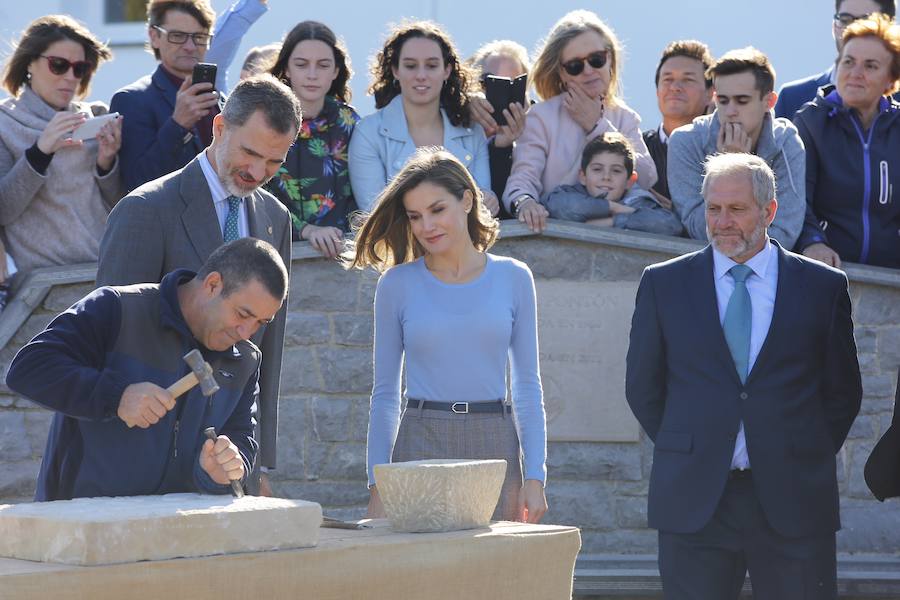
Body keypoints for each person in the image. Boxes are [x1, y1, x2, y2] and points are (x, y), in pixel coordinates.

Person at [626, 152, 862, 599]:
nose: (722, 221)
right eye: (714, 209)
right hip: (695, 502)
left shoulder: (821, 288)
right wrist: (697, 443)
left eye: (737, 209)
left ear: (769, 211)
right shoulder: (664, 284)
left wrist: (795, 450)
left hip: (793, 499)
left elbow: (842, 392)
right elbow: (644, 387)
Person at [96, 75, 300, 494]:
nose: (259, 172)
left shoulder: (276, 219)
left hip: (229, 458)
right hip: (146, 452)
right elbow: (109, 339)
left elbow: (267, 348)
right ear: (219, 127)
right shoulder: (146, 209)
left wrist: (259, 459)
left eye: (275, 163)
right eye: (250, 153)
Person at [345, 147, 548, 523]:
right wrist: (376, 482)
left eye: (437, 210)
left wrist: (535, 475)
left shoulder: (515, 277)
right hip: (420, 440)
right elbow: (386, 393)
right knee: (420, 577)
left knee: (492, 575)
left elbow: (527, 388)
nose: (426, 226)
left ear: (467, 201)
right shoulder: (396, 284)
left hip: (496, 444)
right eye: (415, 216)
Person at [6, 238, 288, 502]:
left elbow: (242, 438)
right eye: (243, 314)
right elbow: (29, 367)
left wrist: (224, 468)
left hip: (177, 532)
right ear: (213, 284)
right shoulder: (116, 308)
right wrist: (116, 397)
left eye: (261, 323)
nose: (246, 332)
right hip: (83, 523)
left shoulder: (246, 360)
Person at [502, 10, 657, 233]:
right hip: (557, 235)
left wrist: (598, 126)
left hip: (616, 241)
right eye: (575, 66)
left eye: (596, 60)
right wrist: (525, 203)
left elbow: (646, 178)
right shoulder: (541, 117)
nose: (589, 71)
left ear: (610, 59)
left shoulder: (625, 117)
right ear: (561, 74)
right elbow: (522, 181)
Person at [0, 15, 123, 275]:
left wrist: (106, 164)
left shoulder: (96, 115)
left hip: (103, 272)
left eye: (79, 68)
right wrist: (39, 153)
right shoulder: (5, 123)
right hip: (43, 286)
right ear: (30, 63)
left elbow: (120, 207)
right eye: (58, 65)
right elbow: (3, 211)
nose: (70, 76)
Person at [110, 0, 266, 193]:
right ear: (154, 36)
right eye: (178, 36)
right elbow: (136, 185)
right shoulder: (132, 100)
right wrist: (178, 124)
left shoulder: (220, 99)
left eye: (199, 37)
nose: (190, 46)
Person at [348, 21, 498, 215]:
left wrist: (488, 200)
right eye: (410, 66)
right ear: (395, 70)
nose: (421, 75)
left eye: (431, 65)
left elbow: (483, 209)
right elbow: (375, 216)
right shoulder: (368, 133)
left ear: (447, 70)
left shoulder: (472, 131)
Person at [668, 47, 806, 250]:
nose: (730, 111)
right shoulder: (685, 141)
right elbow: (697, 228)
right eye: (723, 101)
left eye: (742, 101)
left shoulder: (787, 143)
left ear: (769, 101)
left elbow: (785, 234)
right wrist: (728, 169)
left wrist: (741, 169)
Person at [794, 14, 900, 269]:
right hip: (825, 274)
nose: (855, 73)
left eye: (870, 66)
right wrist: (813, 241)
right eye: (848, 62)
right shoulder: (810, 122)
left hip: (890, 284)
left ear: (890, 80)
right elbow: (796, 199)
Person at [266, 20, 360, 258]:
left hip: (340, 256)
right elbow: (252, 189)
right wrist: (305, 229)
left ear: (336, 71)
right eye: (301, 64)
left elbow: (364, 192)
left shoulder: (349, 122)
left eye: (323, 65)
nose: (312, 74)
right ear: (286, 68)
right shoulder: (262, 119)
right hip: (273, 253)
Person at [775, 0, 896, 120]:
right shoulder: (791, 98)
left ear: (889, 30)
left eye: (866, 23)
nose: (853, 30)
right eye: (845, 20)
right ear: (834, 26)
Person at [543, 132, 683, 235]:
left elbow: (670, 225)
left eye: (616, 171)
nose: (606, 177)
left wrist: (613, 222)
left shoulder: (638, 202)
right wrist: (613, 208)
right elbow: (559, 206)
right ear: (583, 176)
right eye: (597, 169)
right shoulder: (570, 194)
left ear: (630, 181)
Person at [643, 40, 714, 205]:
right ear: (657, 91)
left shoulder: (724, 151)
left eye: (688, 80)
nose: (675, 87)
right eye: (667, 79)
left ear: (710, 94)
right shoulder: (636, 149)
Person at [467, 40, 531, 217]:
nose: (497, 92)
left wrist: (502, 148)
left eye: (510, 86)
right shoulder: (453, 126)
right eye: (488, 81)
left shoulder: (533, 139)